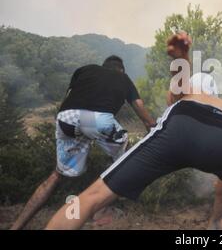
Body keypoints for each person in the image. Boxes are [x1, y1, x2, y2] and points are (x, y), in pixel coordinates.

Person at [45, 32, 222, 230]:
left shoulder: (190, 93)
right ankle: (216, 222)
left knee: (90, 198)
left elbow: (178, 90)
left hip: (179, 130)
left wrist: (181, 58)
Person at [11, 55, 156, 230]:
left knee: (57, 175)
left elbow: (68, 97)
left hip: (67, 118)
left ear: (103, 66)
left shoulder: (85, 70)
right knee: (124, 162)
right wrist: (153, 127)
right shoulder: (123, 77)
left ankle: (16, 226)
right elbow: (139, 106)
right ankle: (100, 208)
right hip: (97, 119)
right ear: (121, 70)